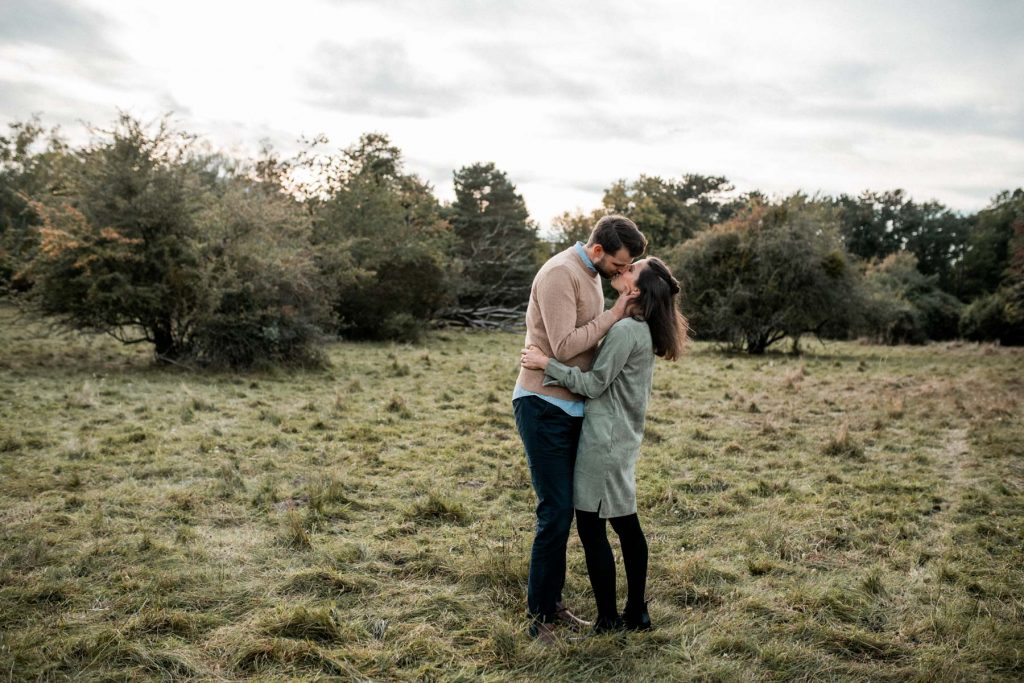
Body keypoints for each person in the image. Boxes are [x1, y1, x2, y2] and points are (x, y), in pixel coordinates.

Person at [520, 256, 688, 633]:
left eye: (630, 269)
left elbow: (594, 385)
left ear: (635, 290)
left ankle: (610, 619)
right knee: (626, 526)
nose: (622, 270)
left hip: (604, 440)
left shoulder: (628, 330)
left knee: (594, 529)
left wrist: (546, 363)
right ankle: (635, 613)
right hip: (621, 438)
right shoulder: (640, 329)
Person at [513, 215, 647, 643]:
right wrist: (613, 314)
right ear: (597, 250)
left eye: (629, 269)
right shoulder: (559, 274)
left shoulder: (590, 275)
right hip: (544, 404)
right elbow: (566, 346)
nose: (622, 273)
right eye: (620, 265)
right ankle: (540, 621)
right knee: (554, 513)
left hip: (572, 408)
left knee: (565, 511)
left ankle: (552, 605)